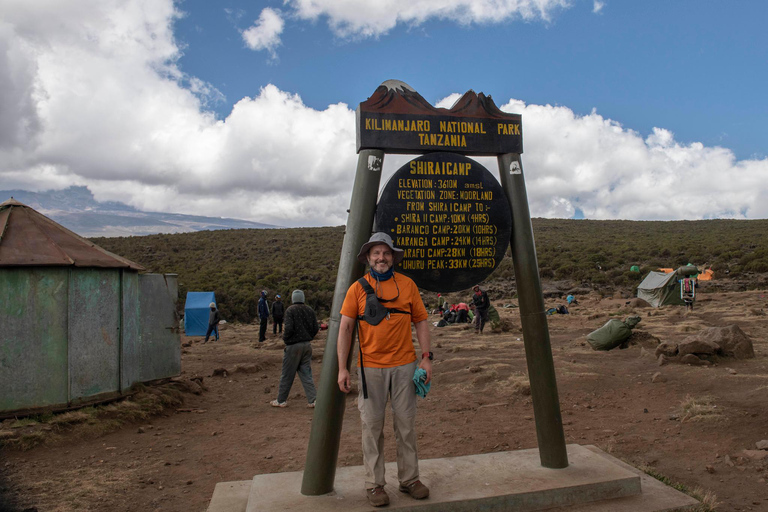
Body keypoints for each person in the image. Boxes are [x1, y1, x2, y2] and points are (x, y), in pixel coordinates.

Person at [337, 232, 432, 507]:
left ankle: (410, 480)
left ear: (393, 257)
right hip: (370, 369)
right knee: (371, 427)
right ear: (368, 258)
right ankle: (375, 485)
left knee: (406, 425)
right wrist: (342, 368)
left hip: (405, 366)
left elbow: (422, 322)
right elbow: (345, 328)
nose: (381, 257)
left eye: (386, 253)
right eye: (376, 253)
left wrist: (426, 359)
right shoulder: (357, 289)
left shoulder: (408, 285)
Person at [270, 290, 318, 408]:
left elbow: (289, 328)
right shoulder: (310, 310)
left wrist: (286, 339)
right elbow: (316, 327)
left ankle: (281, 400)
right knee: (306, 373)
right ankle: (313, 400)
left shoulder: (290, 310)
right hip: (307, 345)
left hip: (293, 346)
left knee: (287, 373)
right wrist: (309, 337)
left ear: (293, 298)